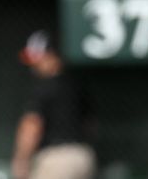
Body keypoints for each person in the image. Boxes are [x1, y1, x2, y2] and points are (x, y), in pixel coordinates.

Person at [12, 31, 96, 179]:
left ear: (51, 55)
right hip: (84, 156)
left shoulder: (43, 88)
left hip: (56, 158)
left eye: (38, 58)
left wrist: (21, 161)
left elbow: (31, 126)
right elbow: (89, 125)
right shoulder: (75, 85)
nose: (34, 65)